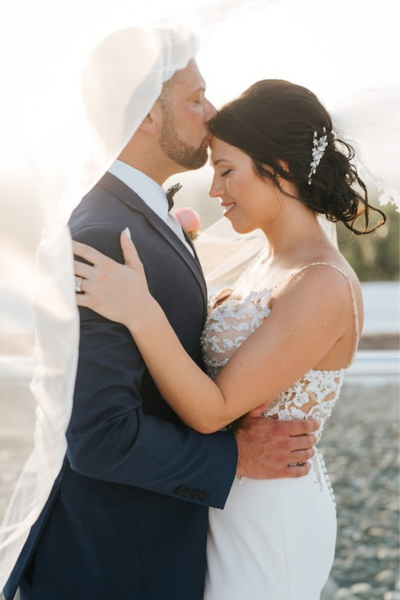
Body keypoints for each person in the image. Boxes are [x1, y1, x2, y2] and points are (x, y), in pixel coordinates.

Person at [4, 65, 318, 600]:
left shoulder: (139, 216)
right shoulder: (106, 234)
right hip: (115, 562)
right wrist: (236, 457)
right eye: (197, 98)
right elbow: (100, 435)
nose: (213, 112)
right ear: (149, 113)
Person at [71, 79, 387, 599]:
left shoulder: (322, 284)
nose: (215, 191)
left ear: (280, 170)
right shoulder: (265, 263)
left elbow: (212, 411)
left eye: (226, 171)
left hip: (270, 515)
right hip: (220, 502)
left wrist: (139, 310)